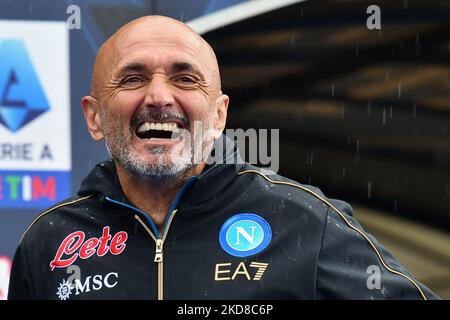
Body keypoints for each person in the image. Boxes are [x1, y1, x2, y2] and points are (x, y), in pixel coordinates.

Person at [8, 15, 439, 300]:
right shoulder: (48, 242)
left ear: (218, 116)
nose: (159, 97)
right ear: (95, 117)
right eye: (133, 78)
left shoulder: (305, 219)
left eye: (184, 77)